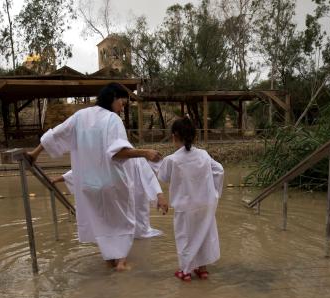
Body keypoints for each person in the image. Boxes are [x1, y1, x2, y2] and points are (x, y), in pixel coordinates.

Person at [27, 83, 162, 271]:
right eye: (122, 104)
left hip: (89, 185)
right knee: (124, 221)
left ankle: (108, 260)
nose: (122, 109)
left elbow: (56, 134)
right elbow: (117, 153)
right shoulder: (112, 120)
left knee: (101, 222)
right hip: (113, 183)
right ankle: (121, 262)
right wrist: (145, 152)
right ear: (113, 97)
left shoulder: (80, 116)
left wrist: (34, 154)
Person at [157, 117, 224, 282]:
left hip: (185, 206)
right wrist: (214, 192)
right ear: (195, 137)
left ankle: (185, 271)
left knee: (185, 236)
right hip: (205, 204)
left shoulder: (172, 159)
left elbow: (163, 177)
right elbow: (219, 170)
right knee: (204, 234)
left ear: (174, 136)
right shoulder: (203, 155)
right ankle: (203, 269)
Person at [53, 158, 168, 239]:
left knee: (140, 232)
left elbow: (149, 177)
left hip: (136, 199)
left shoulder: (136, 157)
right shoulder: (105, 156)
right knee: (119, 231)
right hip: (117, 200)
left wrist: (159, 195)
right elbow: (82, 171)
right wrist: (59, 178)